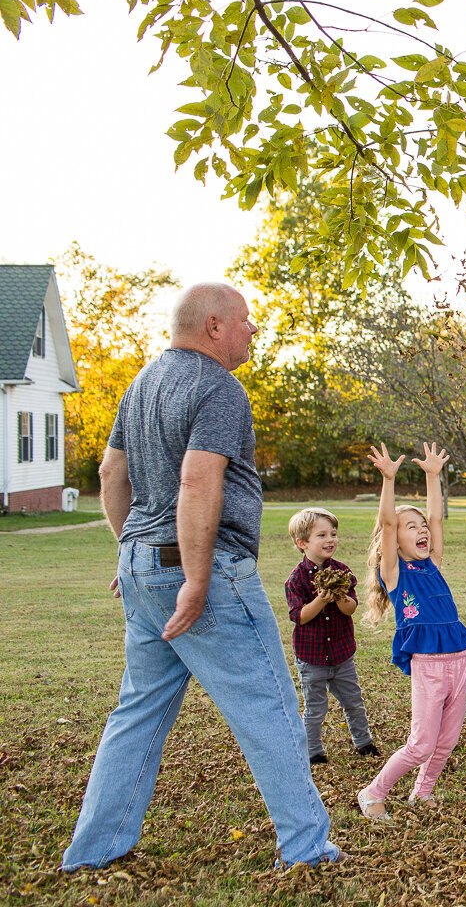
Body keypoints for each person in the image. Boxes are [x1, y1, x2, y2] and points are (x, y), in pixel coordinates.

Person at [62, 283, 340, 870]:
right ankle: (308, 848)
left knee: (137, 713)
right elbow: (196, 481)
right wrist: (192, 576)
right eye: (246, 321)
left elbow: (112, 472)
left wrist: (133, 552)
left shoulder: (141, 384)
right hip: (206, 575)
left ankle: (93, 851)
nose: (253, 331)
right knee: (267, 707)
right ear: (214, 325)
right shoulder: (219, 387)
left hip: (143, 567)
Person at [357, 442, 466, 818]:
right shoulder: (395, 573)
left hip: (459, 657)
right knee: (421, 744)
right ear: (394, 540)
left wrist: (433, 476)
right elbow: (388, 522)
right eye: (413, 527)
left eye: (421, 526)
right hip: (428, 662)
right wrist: (388, 481)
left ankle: (421, 793)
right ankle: (373, 794)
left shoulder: (433, 564)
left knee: (446, 741)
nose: (422, 530)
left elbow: (437, 519)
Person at [284, 507, 381, 765]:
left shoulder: (342, 572)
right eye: (322, 535)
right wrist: (320, 599)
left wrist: (338, 595)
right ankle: (313, 751)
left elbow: (350, 609)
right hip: (312, 656)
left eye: (334, 534)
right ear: (302, 543)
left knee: (354, 702)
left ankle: (364, 743)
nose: (330, 540)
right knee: (315, 708)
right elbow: (300, 616)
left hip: (341, 654)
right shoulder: (295, 580)